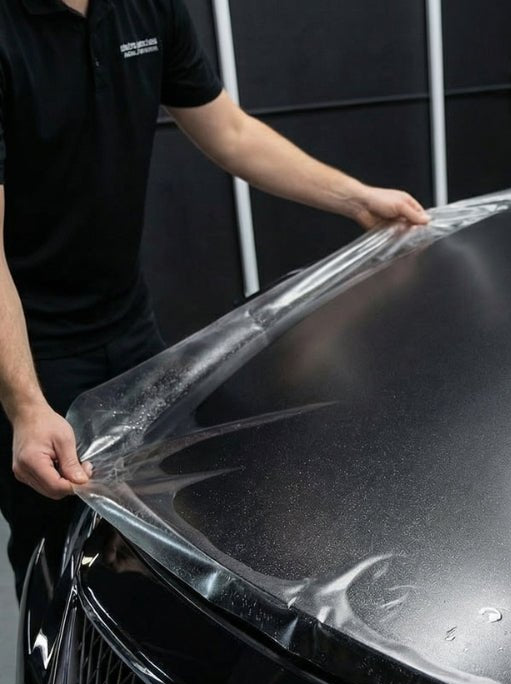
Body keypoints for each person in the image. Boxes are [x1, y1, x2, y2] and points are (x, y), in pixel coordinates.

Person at [0, 0, 429, 597]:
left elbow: (229, 131)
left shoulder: (146, 7)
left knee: (146, 538)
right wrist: (24, 405)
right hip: (23, 351)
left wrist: (356, 199)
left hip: (125, 323)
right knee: (54, 551)